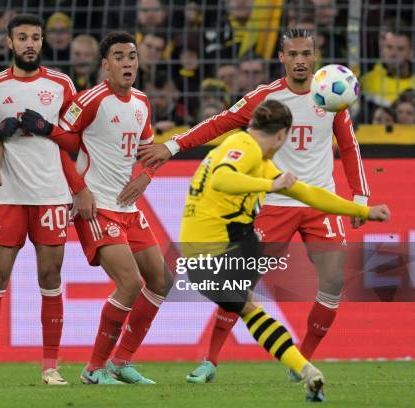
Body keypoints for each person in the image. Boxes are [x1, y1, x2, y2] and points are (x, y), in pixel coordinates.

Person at [139, 28, 371, 383]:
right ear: (281, 58)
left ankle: (302, 362)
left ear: (315, 56)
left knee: (335, 278)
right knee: (238, 281)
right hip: (274, 201)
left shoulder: (330, 95)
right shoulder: (266, 98)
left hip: (318, 200)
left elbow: (350, 146)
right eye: (292, 54)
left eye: (305, 54)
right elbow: (220, 123)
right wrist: (172, 147)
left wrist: (360, 194)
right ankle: (211, 361)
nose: (299, 61)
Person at [179, 99, 390, 402]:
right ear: (282, 136)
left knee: (249, 309)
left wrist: (363, 211)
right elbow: (222, 178)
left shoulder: (254, 155)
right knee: (249, 306)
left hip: (203, 256)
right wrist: (269, 186)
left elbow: (307, 192)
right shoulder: (246, 147)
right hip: (221, 251)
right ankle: (302, 370)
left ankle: (307, 372)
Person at [20, 31, 168, 385]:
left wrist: (145, 177)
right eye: (119, 57)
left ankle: (121, 361)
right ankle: (93, 369)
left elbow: (149, 153)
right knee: (130, 283)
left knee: (160, 281)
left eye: (132, 56)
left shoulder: (142, 103)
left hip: (128, 207)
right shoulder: (90, 100)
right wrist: (80, 190)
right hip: (97, 206)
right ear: (106, 65)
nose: (128, 63)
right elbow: (62, 143)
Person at [0, 14, 87, 387]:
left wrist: (47, 128)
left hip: (51, 196)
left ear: (43, 41)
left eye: (35, 37)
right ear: (9, 43)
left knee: (50, 277)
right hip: (9, 198)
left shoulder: (61, 84)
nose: (29, 43)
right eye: (22, 38)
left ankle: (50, 367)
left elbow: (77, 141)